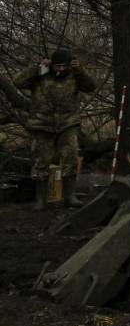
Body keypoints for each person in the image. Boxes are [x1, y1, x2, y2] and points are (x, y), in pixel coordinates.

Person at [15, 48, 97, 210]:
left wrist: (80, 70)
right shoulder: (41, 74)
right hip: (42, 124)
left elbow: (90, 86)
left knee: (71, 157)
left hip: (67, 123)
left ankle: (70, 197)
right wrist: (37, 68)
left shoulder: (75, 75)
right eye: (57, 66)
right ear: (52, 64)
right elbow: (18, 81)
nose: (60, 69)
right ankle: (40, 200)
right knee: (41, 161)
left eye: (63, 66)